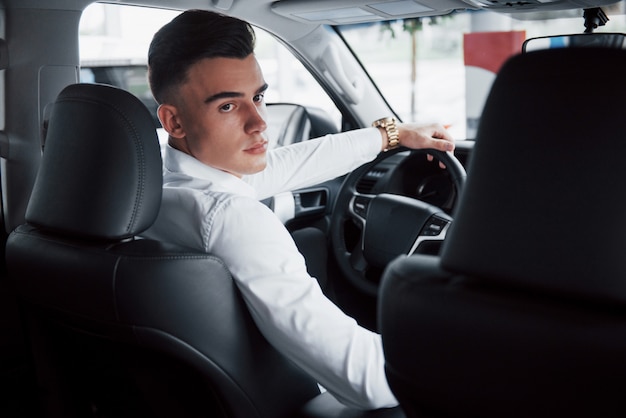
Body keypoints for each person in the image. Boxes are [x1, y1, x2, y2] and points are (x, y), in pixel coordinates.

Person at [143, 9, 454, 410]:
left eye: (257, 97)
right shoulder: (230, 217)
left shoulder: (161, 185)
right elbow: (367, 381)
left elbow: (288, 163)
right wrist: (469, 354)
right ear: (174, 121)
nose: (259, 123)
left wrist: (392, 134)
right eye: (227, 106)